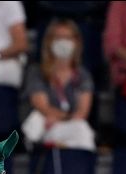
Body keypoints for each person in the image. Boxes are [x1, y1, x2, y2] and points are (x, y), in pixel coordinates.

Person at [22, 19, 95, 151]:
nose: (63, 42)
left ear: (76, 42)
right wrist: (65, 117)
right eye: (58, 37)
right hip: (47, 125)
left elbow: (82, 112)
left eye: (67, 38)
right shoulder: (37, 72)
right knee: (81, 132)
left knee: (81, 130)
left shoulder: (83, 75)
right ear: (49, 42)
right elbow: (42, 106)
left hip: (71, 125)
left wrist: (64, 118)